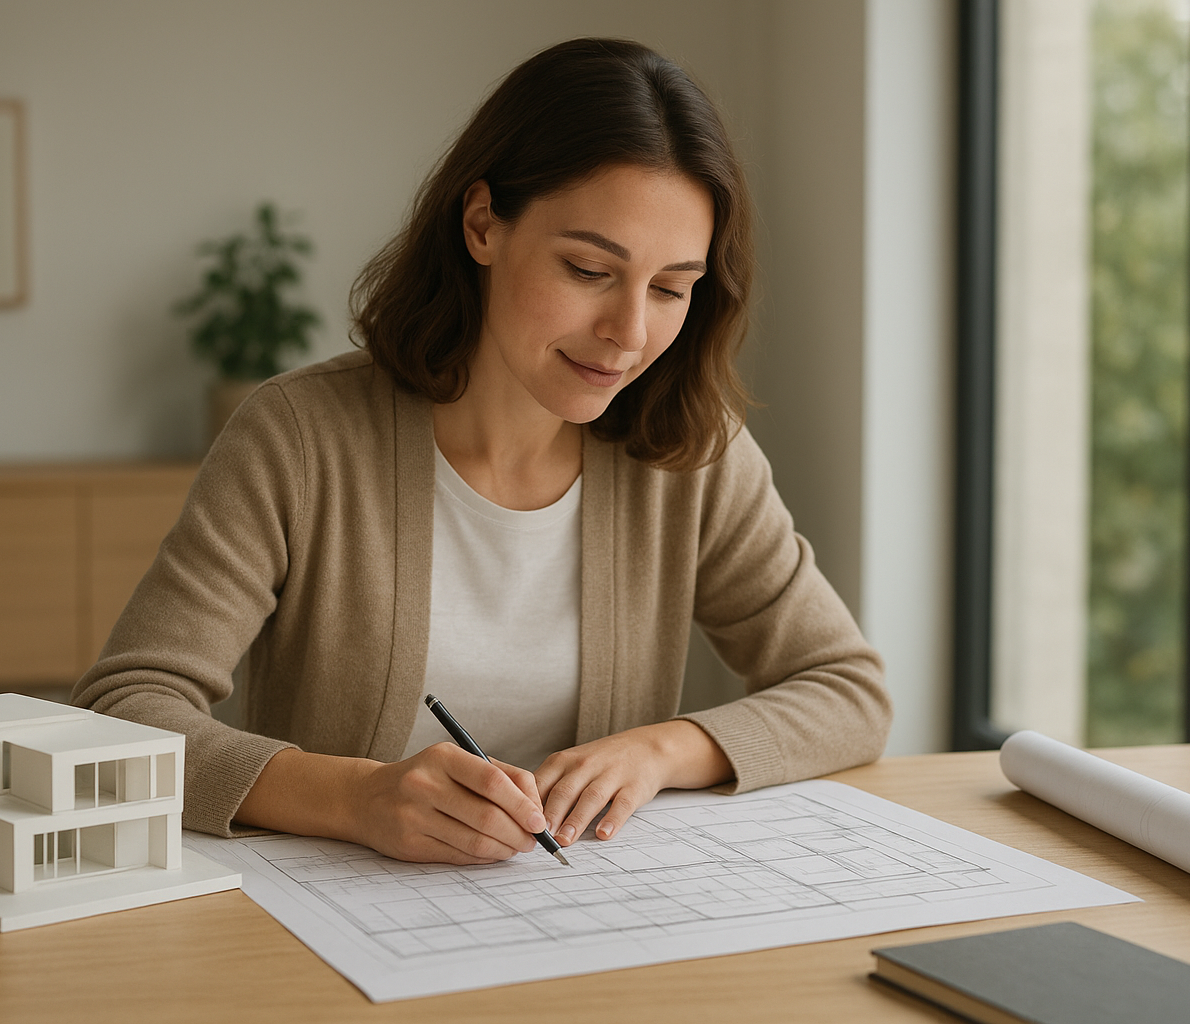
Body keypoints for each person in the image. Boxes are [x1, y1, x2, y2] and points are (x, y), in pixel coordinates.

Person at [72, 37, 890, 866]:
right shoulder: (299, 438)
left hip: (583, 915)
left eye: (671, 287)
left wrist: (662, 750)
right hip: (333, 920)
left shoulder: (692, 454)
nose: (629, 332)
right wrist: (354, 799)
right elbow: (122, 711)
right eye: (588, 269)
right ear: (482, 226)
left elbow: (848, 692)